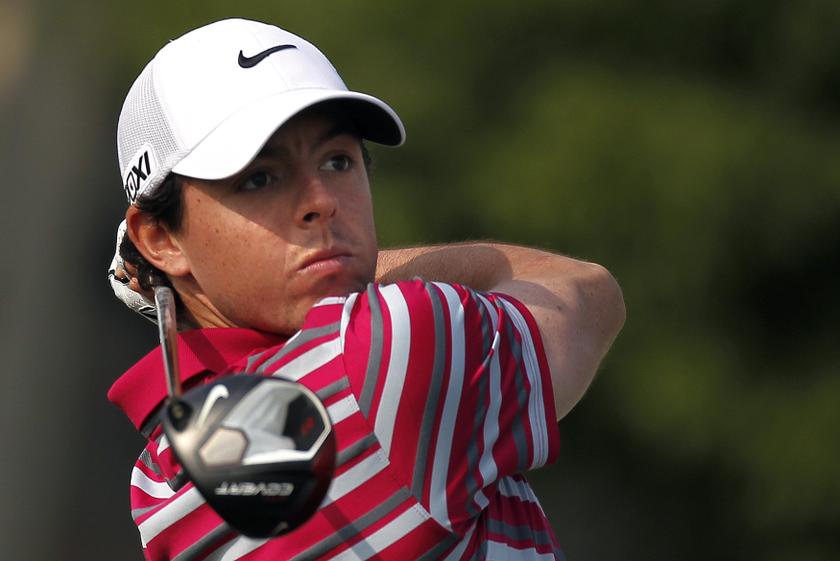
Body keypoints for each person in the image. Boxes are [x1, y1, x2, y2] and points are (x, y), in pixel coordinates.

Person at [107, 18, 625, 561]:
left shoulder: (156, 482)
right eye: (259, 177)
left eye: (338, 161)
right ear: (160, 238)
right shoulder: (391, 345)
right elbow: (584, 292)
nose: (322, 201)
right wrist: (354, 270)